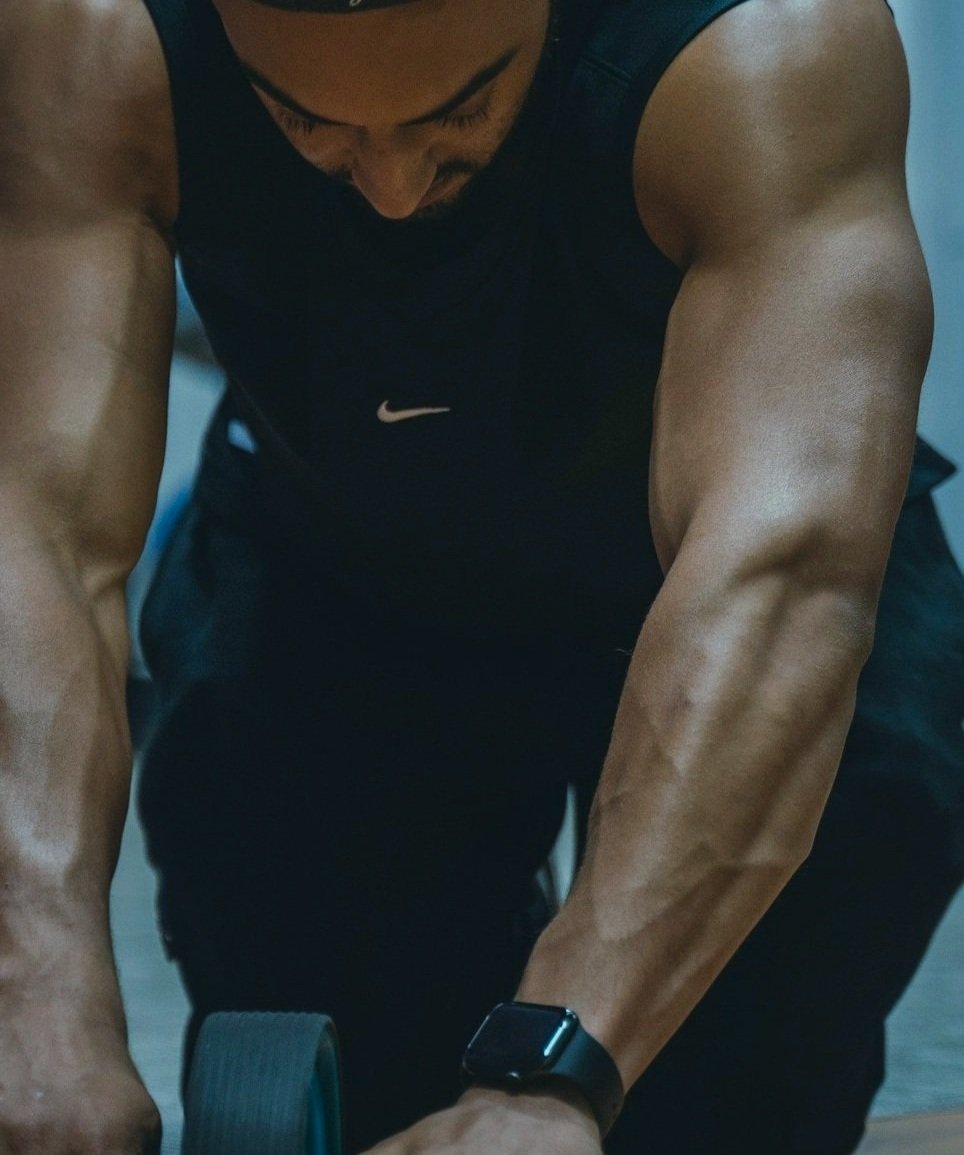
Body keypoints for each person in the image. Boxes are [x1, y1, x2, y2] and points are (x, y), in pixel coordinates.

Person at [0, 0, 961, 1151]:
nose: (394, 184)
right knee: (371, 1087)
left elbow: (781, 582)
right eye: (304, 124)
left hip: (735, 582)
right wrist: (36, 999)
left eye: (462, 110)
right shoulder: (98, 34)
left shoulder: (763, 43)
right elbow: (36, 526)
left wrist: (549, 1073)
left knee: (706, 1111)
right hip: (341, 564)